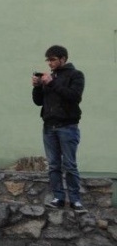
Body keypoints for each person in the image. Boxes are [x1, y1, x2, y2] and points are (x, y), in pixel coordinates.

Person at [31, 45, 86, 213]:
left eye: (53, 59)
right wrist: (37, 86)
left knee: (70, 165)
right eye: (48, 60)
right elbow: (39, 102)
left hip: (67, 126)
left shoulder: (76, 75)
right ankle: (58, 198)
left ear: (63, 59)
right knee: (54, 165)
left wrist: (52, 83)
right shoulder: (49, 77)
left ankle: (75, 200)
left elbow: (74, 97)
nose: (50, 63)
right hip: (48, 127)